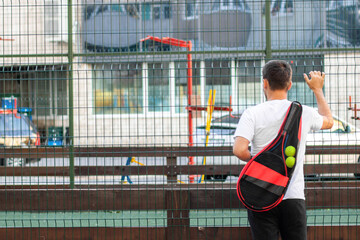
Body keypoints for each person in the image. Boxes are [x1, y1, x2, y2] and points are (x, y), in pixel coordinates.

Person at [233, 60, 333, 240]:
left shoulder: (252, 113)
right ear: (290, 84)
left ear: (264, 83)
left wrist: (263, 165)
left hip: (261, 194)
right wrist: (317, 90)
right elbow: (329, 120)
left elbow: (240, 150)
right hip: (293, 196)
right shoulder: (304, 112)